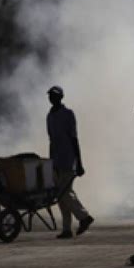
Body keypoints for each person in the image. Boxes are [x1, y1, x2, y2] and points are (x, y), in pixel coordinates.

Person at [47, 85, 94, 239]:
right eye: (50, 95)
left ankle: (84, 217)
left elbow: (74, 138)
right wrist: (50, 160)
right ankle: (67, 229)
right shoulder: (50, 115)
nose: (51, 98)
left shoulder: (68, 114)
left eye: (54, 95)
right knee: (60, 195)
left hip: (68, 158)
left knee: (65, 192)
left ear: (61, 97)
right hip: (56, 159)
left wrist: (79, 162)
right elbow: (51, 139)